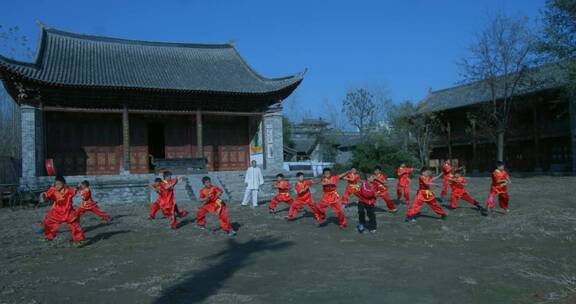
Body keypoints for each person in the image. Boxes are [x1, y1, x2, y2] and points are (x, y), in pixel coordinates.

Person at [39, 176, 85, 246]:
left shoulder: (69, 190)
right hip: (56, 211)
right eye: (56, 184)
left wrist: (81, 187)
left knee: (75, 225)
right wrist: (43, 196)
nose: (57, 186)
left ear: (63, 184)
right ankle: (49, 237)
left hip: (68, 211)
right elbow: (46, 194)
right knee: (48, 223)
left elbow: (77, 190)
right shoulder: (53, 190)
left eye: (59, 184)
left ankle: (79, 240)